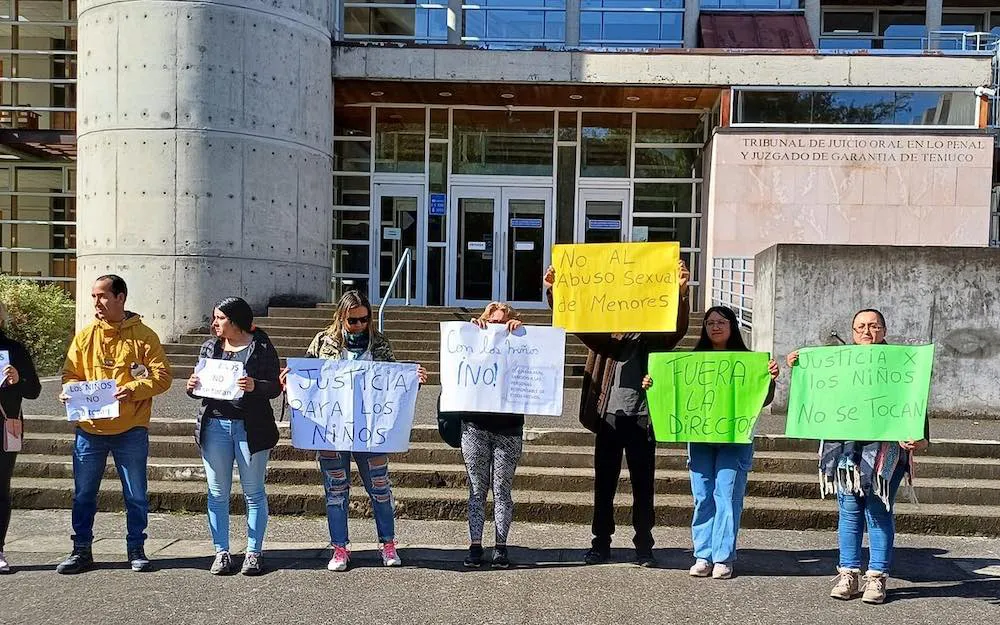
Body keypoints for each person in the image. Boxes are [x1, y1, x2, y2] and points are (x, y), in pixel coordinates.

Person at [544, 261, 690, 567]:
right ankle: (600, 543)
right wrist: (555, 290)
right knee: (604, 484)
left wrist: (680, 292)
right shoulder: (605, 336)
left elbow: (676, 330)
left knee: (643, 484)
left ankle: (644, 546)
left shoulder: (655, 335)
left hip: (642, 417)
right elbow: (575, 321)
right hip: (608, 416)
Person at [787, 308, 929, 605]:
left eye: (874, 326)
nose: (867, 331)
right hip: (845, 453)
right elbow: (816, 393)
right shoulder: (837, 364)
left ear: (884, 331)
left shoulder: (903, 366)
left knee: (878, 512)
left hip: (884, 453)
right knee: (849, 512)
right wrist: (801, 366)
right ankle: (849, 573)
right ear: (852, 333)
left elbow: (915, 404)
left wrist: (920, 437)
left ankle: (877, 577)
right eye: (861, 326)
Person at [280, 290, 427, 572]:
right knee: (336, 490)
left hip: (371, 431)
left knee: (380, 488)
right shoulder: (323, 342)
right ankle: (339, 548)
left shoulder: (379, 342)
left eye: (364, 319)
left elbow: (393, 383)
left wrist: (412, 382)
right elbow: (308, 375)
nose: (360, 325)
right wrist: (291, 381)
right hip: (332, 430)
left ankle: (388, 543)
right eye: (353, 320)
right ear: (341, 317)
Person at [641, 306, 778, 580]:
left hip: (734, 439)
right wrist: (652, 384)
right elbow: (670, 389)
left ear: (732, 326)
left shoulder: (749, 361)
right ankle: (703, 554)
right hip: (700, 437)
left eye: (721, 322)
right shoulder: (690, 361)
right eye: (709, 323)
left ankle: (723, 556)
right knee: (703, 496)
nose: (715, 327)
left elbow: (763, 400)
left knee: (726, 496)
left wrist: (769, 380)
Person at [56, 275, 172, 574]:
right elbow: (71, 374)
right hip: (89, 430)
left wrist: (133, 389)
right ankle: (81, 550)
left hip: (131, 429)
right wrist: (70, 392)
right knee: (83, 494)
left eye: (103, 296)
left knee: (135, 494)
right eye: (94, 296)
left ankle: (136, 548)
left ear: (121, 298)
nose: (96, 302)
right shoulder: (84, 336)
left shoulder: (144, 336)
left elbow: (162, 378)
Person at [186, 297, 281, 576]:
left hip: (251, 427)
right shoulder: (209, 347)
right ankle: (222, 551)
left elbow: (274, 386)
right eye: (214, 318)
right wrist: (192, 386)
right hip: (215, 425)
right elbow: (199, 388)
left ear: (236, 320)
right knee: (217, 492)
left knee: (253, 492)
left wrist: (255, 386)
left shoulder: (261, 346)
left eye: (220, 318)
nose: (214, 323)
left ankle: (254, 551)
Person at [440, 302, 525, 569]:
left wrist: (522, 334)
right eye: (493, 322)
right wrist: (472, 331)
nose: (497, 327)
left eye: (503, 322)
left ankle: (501, 546)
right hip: (474, 427)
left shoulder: (519, 344)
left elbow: (538, 362)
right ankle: (475, 545)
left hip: (508, 428)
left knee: (502, 489)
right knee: (477, 489)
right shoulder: (473, 341)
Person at [0, 300, 41, 573]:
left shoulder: (13, 349)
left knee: (0, 487)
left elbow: (34, 390)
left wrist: (18, 379)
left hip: (5, 425)